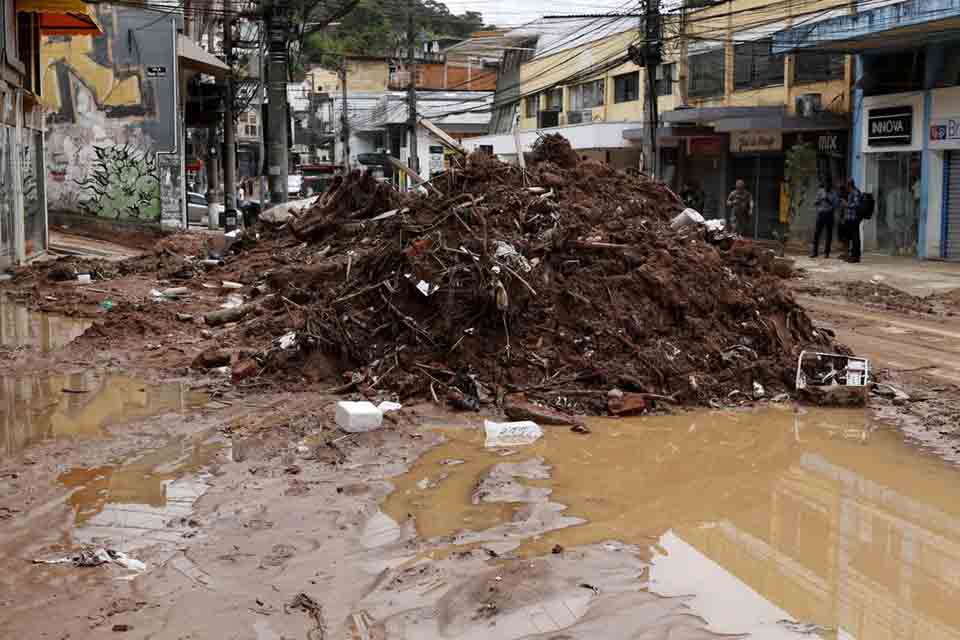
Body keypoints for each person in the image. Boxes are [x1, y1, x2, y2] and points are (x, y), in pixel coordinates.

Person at [810, 181, 839, 258]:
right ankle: (814, 252)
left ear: (830, 186)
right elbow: (815, 202)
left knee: (829, 234)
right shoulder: (820, 191)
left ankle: (827, 253)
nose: (827, 188)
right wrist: (820, 200)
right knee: (817, 233)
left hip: (829, 214)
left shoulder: (834, 193)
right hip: (821, 213)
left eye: (828, 186)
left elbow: (836, 205)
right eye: (826, 186)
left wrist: (828, 200)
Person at [844, 178, 864, 263]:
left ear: (849, 185)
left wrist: (846, 204)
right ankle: (852, 255)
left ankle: (856, 257)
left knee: (855, 238)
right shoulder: (851, 193)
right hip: (850, 218)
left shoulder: (855, 192)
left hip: (854, 218)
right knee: (852, 237)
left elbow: (856, 204)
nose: (846, 187)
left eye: (847, 185)